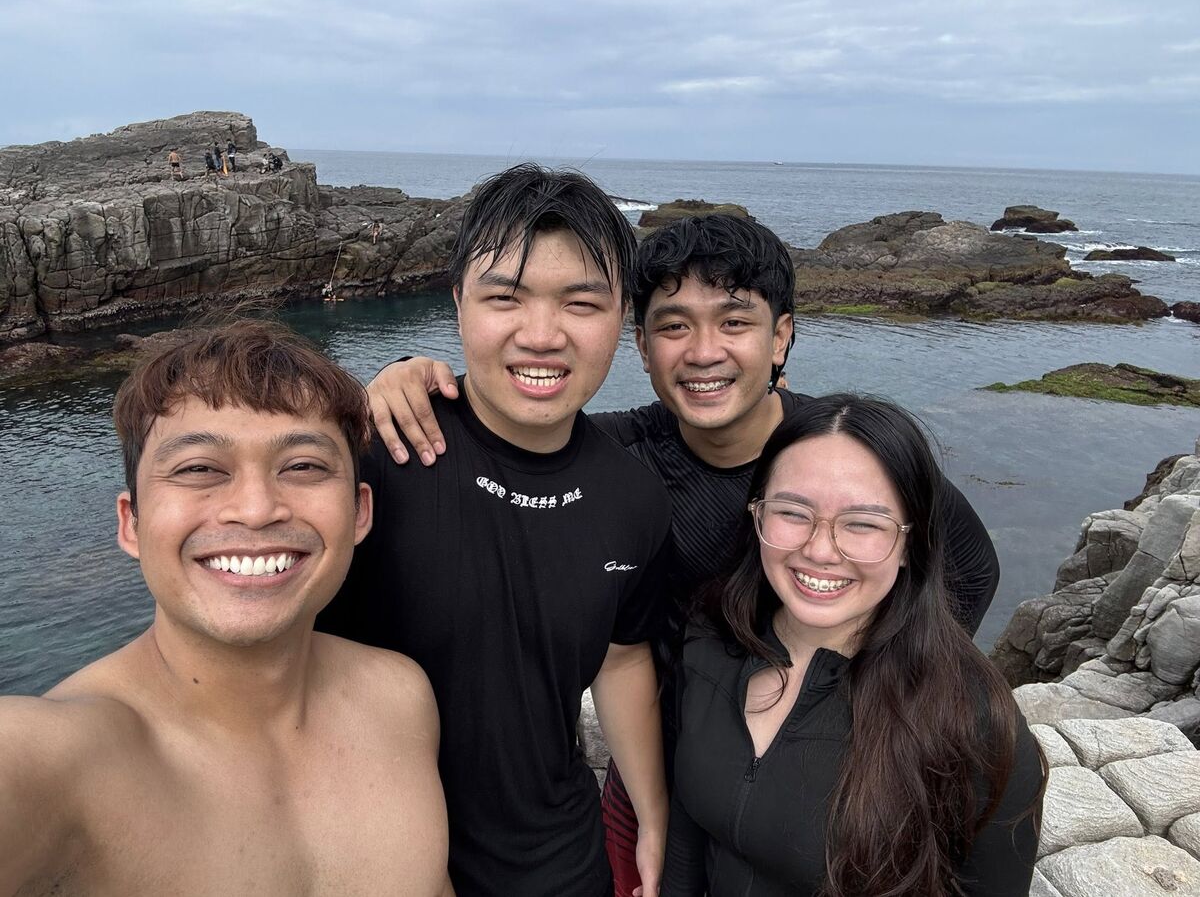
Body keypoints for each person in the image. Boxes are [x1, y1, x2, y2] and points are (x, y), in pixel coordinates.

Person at [365, 214, 1001, 895]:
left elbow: (968, 566)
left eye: (734, 322)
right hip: (664, 765)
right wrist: (405, 378)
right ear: (641, 345)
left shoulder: (841, 457)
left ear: (780, 336)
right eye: (673, 326)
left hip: (824, 769)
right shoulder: (625, 463)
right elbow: (523, 436)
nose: (703, 352)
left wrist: (867, 690)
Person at [0, 320, 454, 896]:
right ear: (132, 523)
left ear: (360, 512)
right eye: (199, 469)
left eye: (304, 466)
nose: (256, 509)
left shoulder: (401, 698)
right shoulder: (56, 759)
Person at [317, 164, 672, 897]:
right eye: (505, 298)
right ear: (457, 303)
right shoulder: (378, 457)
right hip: (379, 862)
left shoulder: (633, 498)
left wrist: (652, 813)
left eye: (582, 303)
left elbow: (622, 658)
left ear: (623, 317)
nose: (541, 336)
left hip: (561, 860)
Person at [662, 394, 1044, 896]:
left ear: (910, 543)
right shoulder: (710, 639)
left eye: (863, 523)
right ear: (757, 515)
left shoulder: (974, 720)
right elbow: (689, 828)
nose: (820, 550)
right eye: (792, 512)